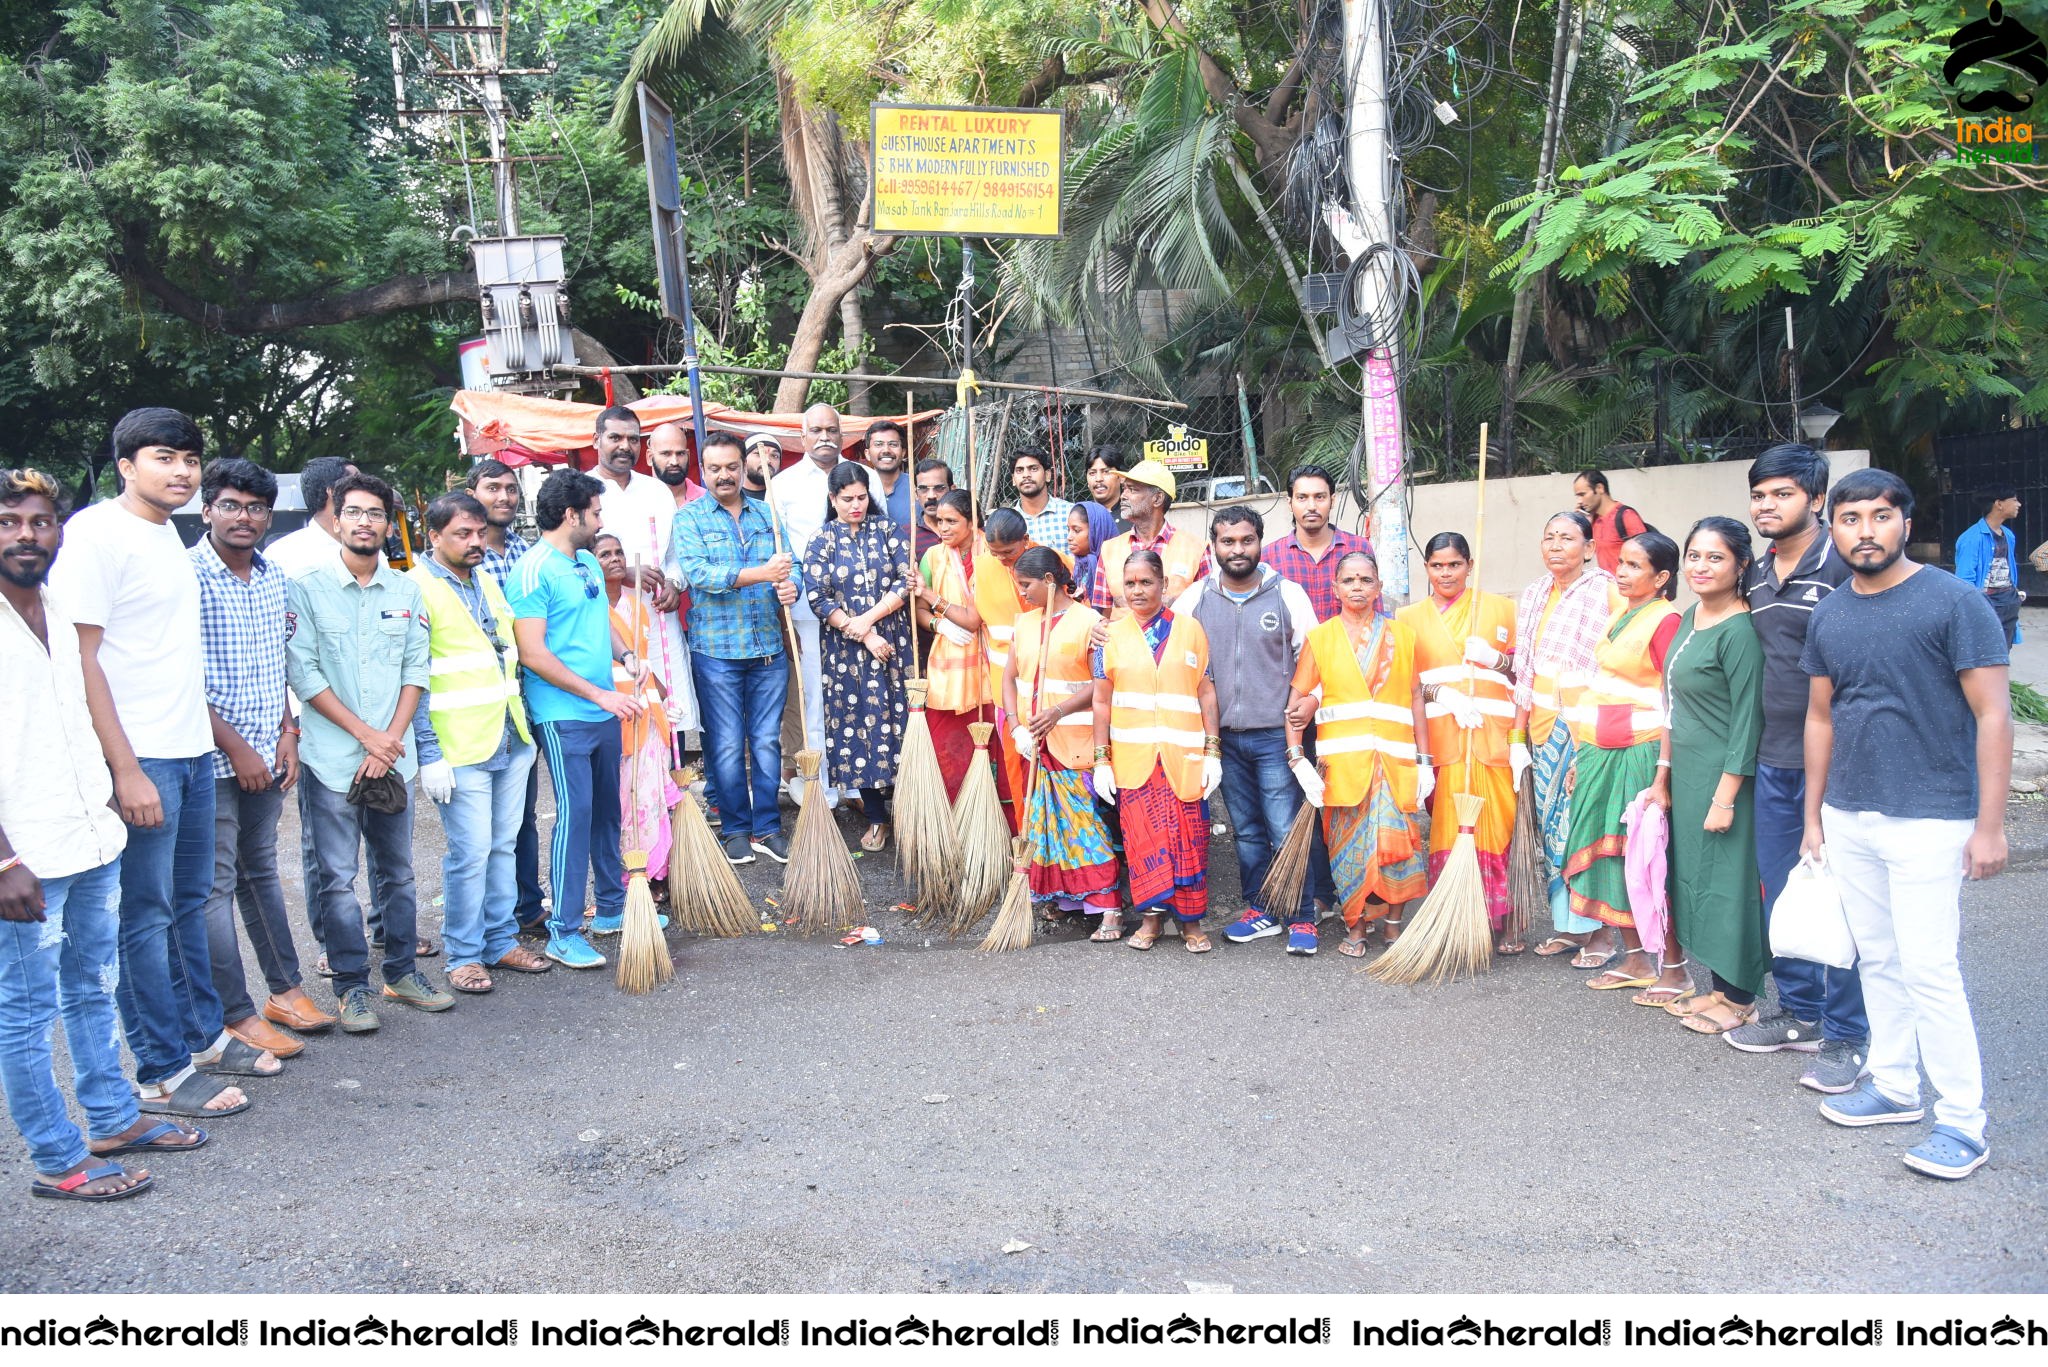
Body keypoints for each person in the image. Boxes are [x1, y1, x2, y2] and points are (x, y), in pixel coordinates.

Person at [51, 408, 277, 1117]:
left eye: (188, 459)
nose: (179, 471)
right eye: (162, 457)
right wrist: (123, 768)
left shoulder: (166, 535)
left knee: (185, 906)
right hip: (141, 753)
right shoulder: (94, 534)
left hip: (188, 750)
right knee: (142, 916)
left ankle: (204, 1037)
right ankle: (160, 1069)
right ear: (125, 464)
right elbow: (80, 657)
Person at [1801, 468, 2011, 1182]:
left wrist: (1990, 825)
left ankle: (1962, 1121)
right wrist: (1814, 816)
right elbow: (1821, 716)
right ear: (1833, 530)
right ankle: (1893, 1084)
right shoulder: (1829, 614)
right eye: (1850, 518)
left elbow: (1993, 715)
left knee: (1930, 968)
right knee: (1878, 958)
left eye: (1880, 516)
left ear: (1905, 522)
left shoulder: (1953, 603)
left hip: (1932, 815)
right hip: (1849, 814)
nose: (1865, 530)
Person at [3, 467, 198, 1201]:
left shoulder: (57, 610)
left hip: (89, 835)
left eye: (40, 521)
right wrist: (4, 858)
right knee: (25, 1011)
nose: (27, 535)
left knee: (92, 986)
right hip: (24, 857)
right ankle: (58, 1158)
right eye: (9, 522)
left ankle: (113, 1117)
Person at [287, 472, 453, 1032]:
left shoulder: (406, 590)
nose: (365, 522)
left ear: (389, 524)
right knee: (335, 877)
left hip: (393, 758)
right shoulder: (305, 588)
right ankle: (352, 987)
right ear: (335, 520)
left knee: (399, 874)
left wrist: (390, 741)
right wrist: (366, 736)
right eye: (354, 512)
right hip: (331, 761)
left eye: (375, 514)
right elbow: (304, 672)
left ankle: (402, 973)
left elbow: (415, 670)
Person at [1727, 443, 1867, 1087]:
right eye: (1760, 494)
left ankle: (1849, 1034)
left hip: (1838, 763)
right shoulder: (1754, 573)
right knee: (1786, 894)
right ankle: (1800, 1013)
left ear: (1815, 500)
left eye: (1782, 494)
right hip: (1773, 758)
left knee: (1841, 899)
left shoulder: (1841, 567)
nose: (1767, 505)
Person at [190, 458, 327, 1056]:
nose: (244, 517)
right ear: (207, 511)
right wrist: (239, 748)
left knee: (261, 873)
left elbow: (277, 667)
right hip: (209, 757)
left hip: (269, 753)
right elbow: (177, 679)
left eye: (255, 508)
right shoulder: (185, 575)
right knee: (214, 887)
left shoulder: (274, 579)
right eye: (231, 505)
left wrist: (287, 732)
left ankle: (285, 990)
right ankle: (233, 1013)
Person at [1623, 518, 1769, 1029]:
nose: (1701, 567)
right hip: (1684, 773)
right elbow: (1673, 707)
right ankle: (1719, 990)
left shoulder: (1740, 630)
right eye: (1694, 556)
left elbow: (1748, 720)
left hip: (1724, 778)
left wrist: (1726, 795)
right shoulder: (1690, 617)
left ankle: (1742, 999)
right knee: (1694, 881)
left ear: (1741, 566)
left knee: (1730, 885)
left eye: (1715, 557)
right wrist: (1661, 777)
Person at [408, 493, 552, 994]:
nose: (475, 542)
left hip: (510, 736)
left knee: (503, 847)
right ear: (434, 537)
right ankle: (464, 955)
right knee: (469, 854)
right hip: (459, 745)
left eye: (477, 533)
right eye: (462, 535)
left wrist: (526, 735)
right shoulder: (416, 588)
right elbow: (415, 677)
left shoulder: (488, 579)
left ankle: (500, 939)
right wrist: (429, 753)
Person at [508, 470, 646, 968]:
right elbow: (532, 654)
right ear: (573, 514)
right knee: (576, 816)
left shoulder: (586, 560)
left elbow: (599, 621)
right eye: (596, 511)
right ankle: (563, 931)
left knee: (608, 812)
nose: (601, 519)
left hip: (602, 706)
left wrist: (627, 657)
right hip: (562, 715)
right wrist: (597, 694)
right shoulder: (533, 570)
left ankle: (610, 909)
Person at [1177, 508, 1320, 953]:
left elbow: (1314, 661)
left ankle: (1302, 916)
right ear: (1213, 546)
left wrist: (1302, 712)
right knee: (1247, 831)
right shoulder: (1195, 600)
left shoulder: (1288, 595)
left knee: (1284, 827)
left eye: (1245, 541)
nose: (1237, 550)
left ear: (1260, 542)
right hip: (1222, 739)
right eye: (1227, 542)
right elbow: (1167, 645)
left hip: (1275, 735)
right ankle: (1261, 910)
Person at [1283, 551, 1431, 956]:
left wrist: (1425, 760)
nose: (1358, 588)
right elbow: (1296, 705)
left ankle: (1394, 927)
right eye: (1349, 580)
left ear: (1379, 588)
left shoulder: (1403, 637)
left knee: (1395, 848)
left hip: (1394, 764)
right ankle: (1356, 927)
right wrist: (1297, 758)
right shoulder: (1321, 638)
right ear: (1335, 589)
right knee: (1347, 852)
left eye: (1366, 580)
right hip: (1343, 770)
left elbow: (1416, 697)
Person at [1558, 530, 1682, 981]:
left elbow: (1675, 702)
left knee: (1644, 855)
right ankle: (1634, 959)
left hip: (1641, 752)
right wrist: (1581, 755)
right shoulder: (1621, 615)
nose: (1622, 573)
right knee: (1609, 853)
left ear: (1662, 576)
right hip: (1600, 750)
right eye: (1621, 564)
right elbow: (1602, 690)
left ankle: (1674, 967)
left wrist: (1663, 776)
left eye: (1634, 566)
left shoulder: (1666, 621)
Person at [674, 433, 800, 866]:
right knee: (726, 745)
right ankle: (735, 829)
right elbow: (699, 574)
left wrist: (791, 584)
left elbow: (792, 564)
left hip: (767, 648)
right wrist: (762, 573)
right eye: (715, 468)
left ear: (742, 467)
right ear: (703, 471)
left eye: (731, 466)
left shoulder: (769, 515)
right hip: (716, 653)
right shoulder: (689, 519)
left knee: (766, 742)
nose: (724, 475)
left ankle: (767, 826)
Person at [1091, 550, 1223, 952]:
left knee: (1189, 841)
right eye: (1129, 583)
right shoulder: (1107, 636)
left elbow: (1206, 692)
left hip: (1183, 761)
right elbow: (1100, 701)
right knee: (1142, 842)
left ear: (1164, 585)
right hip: (1135, 763)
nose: (1137, 590)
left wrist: (1213, 752)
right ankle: (1150, 922)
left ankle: (1191, 924)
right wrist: (1102, 761)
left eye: (1146, 582)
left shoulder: (1191, 629)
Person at [1396, 533, 1520, 952]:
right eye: (1436, 565)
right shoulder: (1407, 618)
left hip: (1492, 742)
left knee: (1495, 830)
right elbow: (1404, 683)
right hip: (1442, 743)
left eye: (1454, 565)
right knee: (1450, 833)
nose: (1445, 573)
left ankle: (1497, 923)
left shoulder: (1501, 609)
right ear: (1426, 568)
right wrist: (1441, 695)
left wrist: (1495, 659)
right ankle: (1455, 920)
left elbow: (1527, 673)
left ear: (1469, 564)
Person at [1511, 510, 1618, 961]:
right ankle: (1569, 927)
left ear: (1589, 549)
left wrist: (1590, 742)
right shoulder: (1534, 594)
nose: (1556, 546)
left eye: (1567, 538)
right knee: (1550, 831)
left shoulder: (1606, 592)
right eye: (1549, 537)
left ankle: (1600, 934)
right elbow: (1524, 672)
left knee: (1581, 826)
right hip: (1540, 727)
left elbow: (1611, 671)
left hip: (1584, 731)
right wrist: (1517, 740)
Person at [771, 402, 884, 807]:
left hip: (863, 612)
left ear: (843, 435)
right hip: (808, 609)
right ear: (802, 437)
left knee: (856, 689)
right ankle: (820, 782)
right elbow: (779, 550)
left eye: (832, 429)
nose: (825, 437)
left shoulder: (866, 476)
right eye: (816, 429)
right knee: (816, 696)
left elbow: (880, 534)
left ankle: (857, 780)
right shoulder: (782, 484)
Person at [1003, 547, 1117, 928]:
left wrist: (1058, 712)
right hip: (1035, 743)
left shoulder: (1091, 622)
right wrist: (1015, 725)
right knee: (1049, 828)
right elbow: (1009, 678)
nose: (1022, 592)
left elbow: (1101, 686)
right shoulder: (1024, 623)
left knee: (1085, 828)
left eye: (1027, 584)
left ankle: (1106, 905)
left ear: (1050, 581)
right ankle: (1068, 898)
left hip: (1076, 744)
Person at [803, 463, 914, 850]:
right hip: (845, 652)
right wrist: (863, 634)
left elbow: (907, 580)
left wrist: (868, 619)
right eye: (846, 499)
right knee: (860, 729)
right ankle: (876, 817)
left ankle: (912, 811)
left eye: (861, 497)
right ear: (832, 500)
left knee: (900, 722)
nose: (855, 505)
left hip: (894, 643)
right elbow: (817, 596)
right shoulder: (821, 540)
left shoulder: (887, 531)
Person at [466, 457, 545, 935]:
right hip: (473, 709)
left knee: (523, 816)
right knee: (478, 828)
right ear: (472, 492)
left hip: (524, 701)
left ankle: (528, 907)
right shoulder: (463, 560)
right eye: (493, 488)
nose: (504, 498)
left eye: (511, 489)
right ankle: (482, 920)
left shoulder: (527, 553)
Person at [597, 532, 683, 914]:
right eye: (604, 554)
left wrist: (666, 695)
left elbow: (646, 660)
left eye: (618, 552)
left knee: (650, 798)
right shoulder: (592, 607)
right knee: (623, 800)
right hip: (613, 716)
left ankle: (656, 871)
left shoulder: (638, 604)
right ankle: (628, 875)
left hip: (648, 716)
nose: (615, 559)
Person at [914, 491, 993, 802]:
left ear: (972, 523)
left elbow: (974, 619)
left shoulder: (990, 551)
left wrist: (936, 600)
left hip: (988, 661)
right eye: (938, 521)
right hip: (948, 666)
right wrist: (938, 624)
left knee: (989, 749)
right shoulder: (933, 556)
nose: (942, 528)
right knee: (946, 749)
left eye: (951, 521)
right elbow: (919, 611)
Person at [643, 420, 706, 746]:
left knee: (703, 715)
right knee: (661, 706)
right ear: (649, 452)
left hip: (702, 627)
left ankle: (708, 793)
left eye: (681, 453)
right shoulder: (644, 497)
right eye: (666, 452)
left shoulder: (706, 500)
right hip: (653, 622)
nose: (674, 460)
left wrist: (674, 582)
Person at [1090, 459, 1209, 618]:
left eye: (1132, 490)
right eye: (1124, 488)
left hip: (1175, 641)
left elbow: (1208, 611)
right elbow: (1101, 615)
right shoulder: (1109, 550)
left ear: (1157, 499)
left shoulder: (1196, 549)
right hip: (1124, 642)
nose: (1123, 496)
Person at [1265, 466, 1371, 622]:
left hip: (1348, 646)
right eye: (1302, 497)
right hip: (1293, 647)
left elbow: (1374, 610)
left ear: (1332, 500)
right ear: (1290, 503)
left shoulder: (1359, 548)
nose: (1312, 506)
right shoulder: (1269, 558)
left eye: (1319, 497)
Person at [1954, 486, 2026, 647]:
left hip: (2009, 602)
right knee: (1985, 655)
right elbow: (1964, 579)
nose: (2019, 504)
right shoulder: (1971, 538)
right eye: (2014, 500)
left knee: (2003, 653)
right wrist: (1973, 608)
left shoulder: (2008, 535)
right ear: (1999, 504)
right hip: (1987, 605)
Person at [264, 454, 356, 577]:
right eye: (358, 484)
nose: (368, 490)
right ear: (333, 492)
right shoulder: (281, 555)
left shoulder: (374, 553)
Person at [1573, 469, 1650, 577]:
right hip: (1608, 589)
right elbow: (1584, 556)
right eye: (1578, 496)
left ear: (1600, 488)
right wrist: (1579, 523)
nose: (1579, 501)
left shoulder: (1626, 516)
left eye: (1583, 494)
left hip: (1628, 589)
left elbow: (1647, 558)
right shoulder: (1593, 521)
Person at [1008, 449, 1074, 551]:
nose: (1026, 475)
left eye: (1033, 469)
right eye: (1019, 470)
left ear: (1047, 475)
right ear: (1013, 479)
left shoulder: (1070, 513)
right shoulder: (1008, 522)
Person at [865, 419, 914, 528]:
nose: (886, 450)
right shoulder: (860, 489)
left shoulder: (916, 488)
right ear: (867, 454)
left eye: (893, 444)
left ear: (904, 452)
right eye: (878, 444)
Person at [1067, 500, 1117, 605]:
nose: (1069, 537)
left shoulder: (1116, 567)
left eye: (1076, 530)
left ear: (1096, 531)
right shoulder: (1073, 567)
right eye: (1068, 530)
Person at [910, 457, 953, 564]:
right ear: (915, 494)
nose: (931, 496)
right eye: (923, 489)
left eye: (939, 488)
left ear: (952, 489)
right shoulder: (908, 535)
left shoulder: (968, 529)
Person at [1084, 448, 1129, 532]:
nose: (1098, 479)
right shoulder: (1081, 514)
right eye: (1092, 473)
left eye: (1106, 472)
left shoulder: (1134, 516)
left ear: (1122, 477)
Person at [742, 432, 782, 498]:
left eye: (774, 456)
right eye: (759, 454)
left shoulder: (786, 495)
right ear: (743, 460)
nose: (767, 460)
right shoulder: (729, 495)